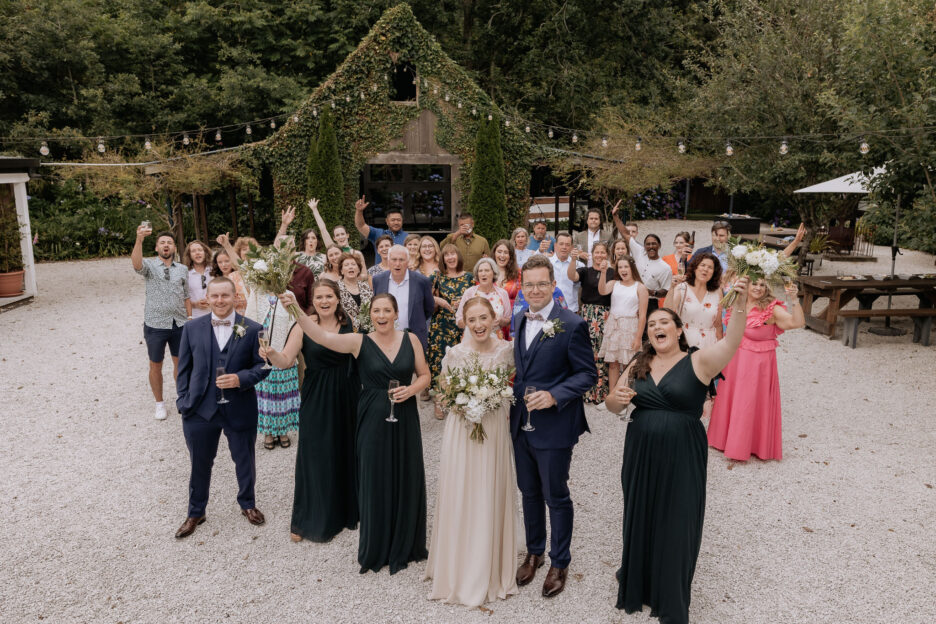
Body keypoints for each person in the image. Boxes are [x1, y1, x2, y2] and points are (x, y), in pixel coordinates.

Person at [605, 282, 751, 624]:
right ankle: (638, 581)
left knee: (677, 520)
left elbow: (732, 341)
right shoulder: (639, 362)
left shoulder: (699, 360)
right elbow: (611, 403)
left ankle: (671, 598)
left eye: (664, 323)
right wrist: (617, 401)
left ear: (679, 329)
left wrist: (742, 301)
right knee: (641, 512)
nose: (657, 327)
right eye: (652, 324)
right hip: (640, 453)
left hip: (683, 453)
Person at [279, 291, 431, 574]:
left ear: (396, 314)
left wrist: (412, 390)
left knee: (406, 473)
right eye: (377, 311)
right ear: (369, 315)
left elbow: (425, 375)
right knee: (374, 475)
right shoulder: (359, 340)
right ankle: (376, 543)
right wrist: (296, 309)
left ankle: (407, 541)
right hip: (373, 415)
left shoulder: (411, 339)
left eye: (387, 311)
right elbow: (323, 338)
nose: (382, 316)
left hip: (406, 415)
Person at [510, 254, 597, 598]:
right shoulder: (518, 319)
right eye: (528, 284)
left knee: (555, 495)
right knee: (529, 492)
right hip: (521, 423)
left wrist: (554, 395)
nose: (534, 290)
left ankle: (560, 561)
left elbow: (588, 374)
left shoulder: (572, 323)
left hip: (556, 425)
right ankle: (535, 552)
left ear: (553, 285)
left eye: (541, 283)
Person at [425, 297, 519, 606]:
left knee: (488, 490)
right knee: (463, 490)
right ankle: (458, 564)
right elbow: (442, 389)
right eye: (473, 319)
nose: (479, 324)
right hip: (462, 429)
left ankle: (489, 564)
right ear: (464, 321)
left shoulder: (508, 350)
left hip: (493, 430)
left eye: (484, 317)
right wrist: (461, 402)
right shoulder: (455, 353)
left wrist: (489, 400)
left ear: (495, 318)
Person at [260, 279, 359, 543]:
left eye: (329, 296)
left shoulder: (350, 322)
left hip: (349, 392)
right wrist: (272, 353)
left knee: (347, 448)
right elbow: (286, 360)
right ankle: (310, 517)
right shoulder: (302, 325)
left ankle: (349, 511)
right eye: (319, 297)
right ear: (312, 301)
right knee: (315, 453)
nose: (324, 301)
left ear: (338, 298)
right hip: (317, 393)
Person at [173, 277, 270, 539]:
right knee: (199, 463)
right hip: (199, 409)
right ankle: (196, 511)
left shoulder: (254, 328)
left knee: (245, 459)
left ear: (235, 297)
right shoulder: (192, 329)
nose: (219, 301)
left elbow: (264, 367)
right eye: (214, 296)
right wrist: (183, 401)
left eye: (225, 296)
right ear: (207, 298)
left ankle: (248, 504)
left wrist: (241, 379)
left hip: (240, 407)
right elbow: (183, 369)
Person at [707, 278, 805, 461]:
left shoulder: (771, 309)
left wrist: (795, 300)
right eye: (755, 284)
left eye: (762, 285)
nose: (758, 288)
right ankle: (723, 439)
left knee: (747, 402)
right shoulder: (737, 301)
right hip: (734, 361)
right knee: (730, 397)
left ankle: (745, 446)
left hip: (757, 365)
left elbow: (796, 323)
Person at [132, 226, 191, 421]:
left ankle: (182, 397)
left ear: (174, 248)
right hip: (155, 323)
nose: (166, 246)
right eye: (162, 243)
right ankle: (159, 403)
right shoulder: (149, 266)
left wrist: (189, 319)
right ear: (157, 248)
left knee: (180, 363)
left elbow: (187, 296)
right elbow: (136, 264)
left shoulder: (182, 269)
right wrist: (139, 240)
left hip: (179, 323)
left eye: (170, 243)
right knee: (155, 364)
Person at [245, 278, 301, 450]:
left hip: (283, 347)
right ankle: (268, 431)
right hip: (261, 350)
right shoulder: (257, 293)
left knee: (283, 394)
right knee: (265, 394)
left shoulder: (289, 294)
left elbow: (296, 321)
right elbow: (249, 319)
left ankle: (283, 430)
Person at [567, 242, 614, 404]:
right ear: (592, 254)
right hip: (587, 315)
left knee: (602, 352)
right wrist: (573, 260)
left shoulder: (612, 273)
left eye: (603, 252)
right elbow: (571, 276)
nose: (600, 255)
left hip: (605, 315)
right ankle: (586, 390)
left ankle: (601, 391)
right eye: (597, 252)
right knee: (587, 352)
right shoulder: (586, 271)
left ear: (607, 255)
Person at [427, 245, 473, 398]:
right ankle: (439, 398)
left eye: (453, 254)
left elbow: (477, 297)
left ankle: (459, 396)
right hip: (441, 326)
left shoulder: (469, 277)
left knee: (462, 361)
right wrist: (437, 299)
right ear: (443, 259)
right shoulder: (437, 276)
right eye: (447, 255)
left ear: (458, 256)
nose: (451, 258)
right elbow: (419, 293)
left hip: (463, 326)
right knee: (439, 361)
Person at [598, 255, 649, 394]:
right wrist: (603, 273)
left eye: (626, 266)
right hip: (613, 326)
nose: (623, 270)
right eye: (620, 267)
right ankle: (612, 395)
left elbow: (643, 315)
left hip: (630, 326)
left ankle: (625, 395)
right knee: (613, 363)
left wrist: (638, 337)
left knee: (628, 364)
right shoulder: (614, 283)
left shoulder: (640, 287)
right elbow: (602, 291)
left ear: (632, 268)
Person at [372, 245, 435, 352]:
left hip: (414, 338)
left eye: (401, 260)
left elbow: (429, 308)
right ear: (388, 260)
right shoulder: (378, 280)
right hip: (385, 338)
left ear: (408, 261)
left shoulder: (422, 281)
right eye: (394, 259)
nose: (397, 264)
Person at [664, 252, 724, 347]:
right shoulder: (682, 288)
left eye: (710, 267)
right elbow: (667, 310)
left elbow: (718, 324)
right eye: (702, 265)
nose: (705, 269)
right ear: (695, 267)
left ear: (714, 272)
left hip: (709, 344)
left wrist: (720, 347)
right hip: (685, 342)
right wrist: (671, 288)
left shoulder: (717, 292)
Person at [455, 257, 512, 332]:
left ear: (494, 273)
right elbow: (459, 321)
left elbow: (508, 320)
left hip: (496, 339)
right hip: (474, 339)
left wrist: (500, 321)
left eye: (487, 270)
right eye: (480, 271)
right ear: (477, 274)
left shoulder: (502, 293)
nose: (483, 274)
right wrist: (473, 322)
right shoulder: (469, 293)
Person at [337, 253, 374, 332]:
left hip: (368, 331)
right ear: (341, 271)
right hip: (346, 330)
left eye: (353, 264)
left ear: (358, 269)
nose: (350, 267)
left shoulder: (366, 286)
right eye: (346, 265)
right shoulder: (335, 288)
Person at [549, 233, 584, 313]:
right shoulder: (546, 263)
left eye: (567, 245)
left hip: (571, 310)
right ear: (555, 245)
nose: (564, 247)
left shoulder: (579, 265)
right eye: (561, 244)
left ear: (572, 247)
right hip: (549, 310)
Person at [183, 240, 213, 319]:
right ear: (189, 255)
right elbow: (180, 299)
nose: (197, 253)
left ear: (205, 252)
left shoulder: (214, 270)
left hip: (215, 316)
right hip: (195, 318)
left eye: (200, 250)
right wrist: (195, 304)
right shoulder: (185, 274)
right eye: (193, 251)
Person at [211, 249, 247, 314]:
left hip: (245, 313)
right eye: (220, 262)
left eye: (227, 261)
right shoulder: (215, 281)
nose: (224, 265)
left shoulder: (241, 276)